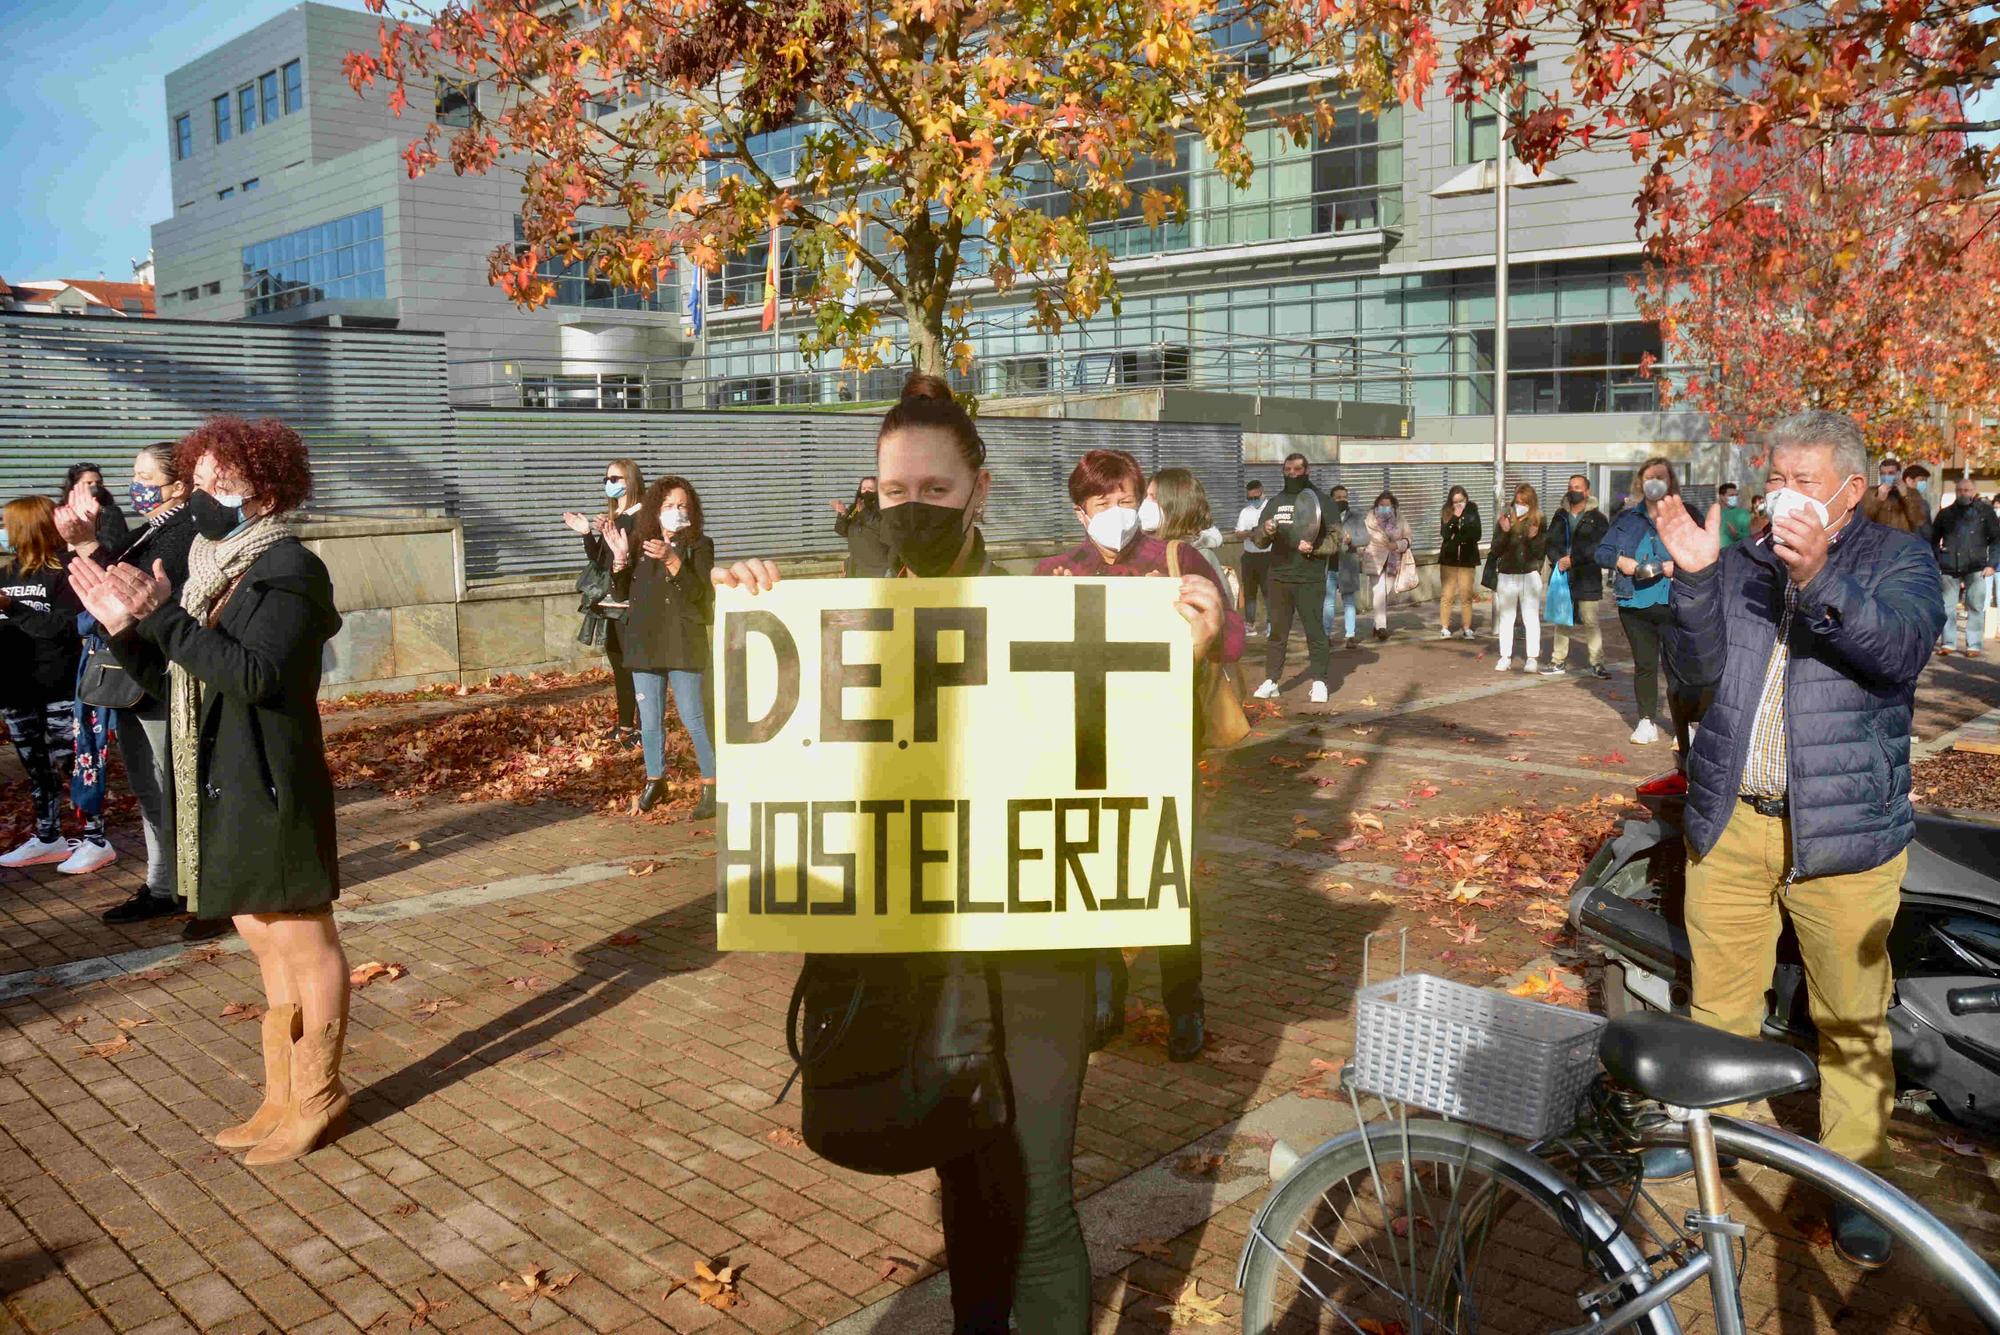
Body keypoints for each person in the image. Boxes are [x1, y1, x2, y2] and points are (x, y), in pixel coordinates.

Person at [713, 374, 1227, 1335]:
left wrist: (1176, 665)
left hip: (1037, 956)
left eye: (935, 492)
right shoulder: (832, 623)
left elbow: (1106, 766)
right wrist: (744, 610)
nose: (912, 511)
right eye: (894, 493)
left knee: (1034, 1205)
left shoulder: (1049, 613)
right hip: (916, 948)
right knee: (970, 1203)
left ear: (980, 491)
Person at [1650, 409, 1943, 1269]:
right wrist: (1698, 580)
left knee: (1850, 1020)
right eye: (1774, 474)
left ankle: (1858, 1183)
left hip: (1844, 836)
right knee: (1722, 1001)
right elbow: (1693, 675)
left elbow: (1901, 653)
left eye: (1804, 480)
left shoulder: (1897, 560)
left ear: (1851, 490)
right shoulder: (1739, 557)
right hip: (1733, 820)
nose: (1782, 493)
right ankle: (1721, 1136)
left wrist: (1818, 581)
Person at [69, 416, 350, 1167]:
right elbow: (184, 675)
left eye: (216, 480)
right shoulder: (209, 569)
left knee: (300, 933)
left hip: (270, 775)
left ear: (263, 486)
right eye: (195, 481)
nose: (200, 495)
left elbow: (255, 675)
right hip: (224, 772)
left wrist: (161, 617)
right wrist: (130, 631)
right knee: (260, 931)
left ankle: (318, 1095)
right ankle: (281, 1091)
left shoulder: (289, 568)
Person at [62, 444, 206, 925]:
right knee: (151, 789)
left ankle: (199, 889)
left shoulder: (185, 532)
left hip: (161, 677)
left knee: (176, 788)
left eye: (147, 476)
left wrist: (90, 549)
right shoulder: (152, 531)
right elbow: (111, 583)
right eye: (135, 474)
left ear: (179, 486)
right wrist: (85, 543)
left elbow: (135, 593)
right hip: (131, 675)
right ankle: (164, 884)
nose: (136, 485)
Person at [0, 497, 112, 872]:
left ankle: (96, 838)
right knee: (36, 769)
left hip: (60, 687)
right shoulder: (7, 573)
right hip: (16, 688)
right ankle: (49, 837)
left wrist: (13, 608)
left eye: (8, 524)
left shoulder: (67, 572)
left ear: (26, 528)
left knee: (74, 765)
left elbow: (66, 628)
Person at [605, 476, 717, 816]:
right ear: (656, 509)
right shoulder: (640, 542)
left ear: (692, 510)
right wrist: (620, 560)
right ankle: (656, 779)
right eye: (668, 506)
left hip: (683, 641)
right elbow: (622, 593)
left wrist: (672, 559)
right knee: (650, 720)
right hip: (645, 641)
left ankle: (712, 784)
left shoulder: (699, 545)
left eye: (682, 505)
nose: (675, 511)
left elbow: (701, 595)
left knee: (693, 717)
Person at [1598, 457, 1695, 747]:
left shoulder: (1685, 515)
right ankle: (1646, 721)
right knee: (1644, 664)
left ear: (1671, 481)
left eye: (1661, 477)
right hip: (1633, 603)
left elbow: (1707, 554)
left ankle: (1683, 726)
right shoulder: (1627, 519)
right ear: (1641, 481)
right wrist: (1619, 561)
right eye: (1649, 477)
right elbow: (1601, 552)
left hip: (1673, 601)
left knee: (1676, 666)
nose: (1655, 482)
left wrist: (1675, 567)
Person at [562, 459, 645, 743]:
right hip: (612, 603)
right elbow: (601, 560)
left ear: (631, 481)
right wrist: (587, 533)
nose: (610, 483)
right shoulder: (616, 517)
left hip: (633, 604)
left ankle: (645, 729)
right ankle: (625, 727)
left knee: (637, 669)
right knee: (619, 664)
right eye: (607, 479)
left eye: (616, 478)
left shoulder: (641, 518)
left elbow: (634, 562)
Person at [1250, 455, 1331, 702]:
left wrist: (1315, 549)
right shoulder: (1275, 502)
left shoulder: (1323, 502)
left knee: (1315, 631)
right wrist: (1266, 530)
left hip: (1310, 578)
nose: (1292, 473)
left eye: (1297, 469)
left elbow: (1338, 539)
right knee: (1277, 633)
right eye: (1287, 469)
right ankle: (1272, 680)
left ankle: (1319, 681)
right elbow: (1258, 539)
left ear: (1307, 470)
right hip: (1279, 577)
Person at [1545, 481, 1610, 678]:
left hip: (1587, 576)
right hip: (1562, 575)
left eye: (1578, 487)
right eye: (1571, 487)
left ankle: (1597, 663)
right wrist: (1559, 561)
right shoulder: (1559, 516)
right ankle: (1558, 661)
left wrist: (1574, 560)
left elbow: (1599, 546)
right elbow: (1550, 542)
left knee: (1590, 620)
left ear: (1587, 491)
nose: (1573, 490)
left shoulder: (1597, 518)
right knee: (1562, 619)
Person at [1932, 473, 2000, 658]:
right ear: (1955, 492)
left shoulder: (1985, 513)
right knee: (1947, 607)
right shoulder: (1945, 514)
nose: (1963, 493)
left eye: (1967, 490)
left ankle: (1974, 645)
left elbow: (1996, 540)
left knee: (1976, 606)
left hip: (1977, 566)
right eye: (1960, 490)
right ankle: (1948, 643)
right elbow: (1933, 539)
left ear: (1974, 491)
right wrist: (1937, 560)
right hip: (1949, 567)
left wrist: (1992, 564)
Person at [1489, 482, 1548, 673]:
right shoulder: (1505, 519)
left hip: (1529, 574)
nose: (1519, 505)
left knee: (1531, 617)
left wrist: (1534, 538)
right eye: (1517, 501)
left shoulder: (1539, 520)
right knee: (1506, 616)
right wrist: (1505, 533)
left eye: (1524, 502)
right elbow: (1495, 549)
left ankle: (1532, 658)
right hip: (1507, 574)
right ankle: (1504, 656)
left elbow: (1540, 552)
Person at [1360, 491, 1415, 643]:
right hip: (1374, 558)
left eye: (1387, 505)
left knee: (1384, 593)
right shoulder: (1369, 518)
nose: (1384, 508)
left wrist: (1397, 545)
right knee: (1378, 592)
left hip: (1393, 559)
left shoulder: (1399, 518)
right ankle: (1382, 627)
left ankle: (1376, 625)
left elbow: (1409, 538)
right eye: (1381, 505)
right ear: (1376, 505)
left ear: (1393, 506)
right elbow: (1363, 537)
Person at [1320, 483, 1365, 649]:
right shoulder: (1325, 517)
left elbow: (1365, 538)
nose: (1342, 500)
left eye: (1344, 497)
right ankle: (1326, 635)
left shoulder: (1356, 516)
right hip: (1329, 565)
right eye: (1338, 497)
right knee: (1328, 602)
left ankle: (1350, 635)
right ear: (1332, 499)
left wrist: (1351, 540)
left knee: (1349, 602)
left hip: (1348, 566)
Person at [1437, 484, 1482, 640]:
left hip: (1467, 559)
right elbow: (1445, 534)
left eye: (1461, 501)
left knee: (1466, 594)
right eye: (1455, 502)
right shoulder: (1446, 511)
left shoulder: (1472, 511)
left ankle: (1467, 627)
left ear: (1466, 499)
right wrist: (1455, 517)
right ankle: (1444, 627)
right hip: (1449, 559)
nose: (1459, 505)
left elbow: (1476, 534)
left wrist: (1460, 537)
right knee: (1447, 595)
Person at [62, 462, 130, 554]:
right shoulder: (62, 513)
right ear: (74, 486)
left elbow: (110, 545)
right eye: (89, 483)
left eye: (98, 483)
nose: (95, 487)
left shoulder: (110, 512)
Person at [830, 476, 889, 577]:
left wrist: (864, 513)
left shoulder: (884, 508)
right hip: (856, 566)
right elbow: (842, 530)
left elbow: (882, 528)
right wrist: (843, 513)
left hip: (878, 567)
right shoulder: (855, 509)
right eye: (863, 488)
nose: (866, 492)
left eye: (870, 489)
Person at [1234, 480, 1271, 631]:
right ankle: (1250, 623)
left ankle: (1271, 622)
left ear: (1262, 492)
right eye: (1250, 498)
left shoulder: (1270, 509)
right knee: (1249, 591)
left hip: (1267, 556)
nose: (1254, 501)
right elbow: (1238, 533)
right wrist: (1251, 533)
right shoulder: (1245, 512)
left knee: (1269, 591)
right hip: (1249, 556)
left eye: (1256, 497)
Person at [1862, 456, 1927, 533]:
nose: (1886, 476)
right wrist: (1878, 500)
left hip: (1901, 541)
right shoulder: (1870, 492)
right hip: (1877, 540)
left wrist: (1905, 496)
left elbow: (1918, 520)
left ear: (1898, 474)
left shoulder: (1913, 493)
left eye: (1891, 473)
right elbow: (1862, 519)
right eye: (1883, 473)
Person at [1716, 482, 1754, 548]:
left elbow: (1749, 536)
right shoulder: (1715, 513)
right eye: (1731, 495)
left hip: (1734, 553)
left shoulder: (1743, 514)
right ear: (1721, 496)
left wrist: (1736, 534)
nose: (1734, 497)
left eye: (1736, 495)